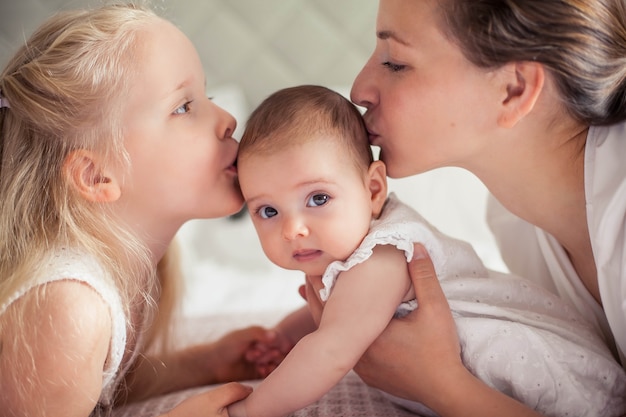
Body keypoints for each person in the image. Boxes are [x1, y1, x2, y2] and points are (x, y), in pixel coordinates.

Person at [227, 85, 626, 417]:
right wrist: (283, 336)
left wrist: (250, 410)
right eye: (268, 211)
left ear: (373, 190)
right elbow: (341, 313)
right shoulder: (353, 256)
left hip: (560, 387)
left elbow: (333, 347)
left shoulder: (383, 255)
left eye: (317, 198)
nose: (293, 229)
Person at [342, 0, 626, 416]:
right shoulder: (513, 219)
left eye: (396, 62)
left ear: (513, 89)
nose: (358, 90)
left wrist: (442, 385)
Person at [0, 4, 280, 417]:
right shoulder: (67, 306)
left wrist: (204, 363)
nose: (229, 119)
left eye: (209, 96)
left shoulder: (132, 267)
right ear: (96, 176)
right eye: (183, 107)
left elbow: (99, 388)